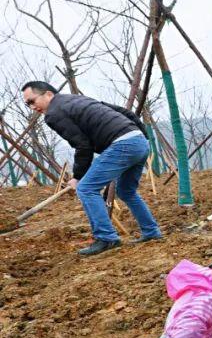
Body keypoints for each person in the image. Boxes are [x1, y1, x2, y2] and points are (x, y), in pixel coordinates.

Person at [22, 81, 162, 256]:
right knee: (126, 191)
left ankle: (106, 238)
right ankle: (151, 232)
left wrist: (77, 176)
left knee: (86, 188)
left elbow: (82, 145)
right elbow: (124, 112)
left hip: (123, 144)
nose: (31, 107)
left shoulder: (54, 113)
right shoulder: (79, 100)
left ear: (48, 94)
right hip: (138, 141)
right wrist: (142, 136)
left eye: (32, 101)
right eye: (27, 104)